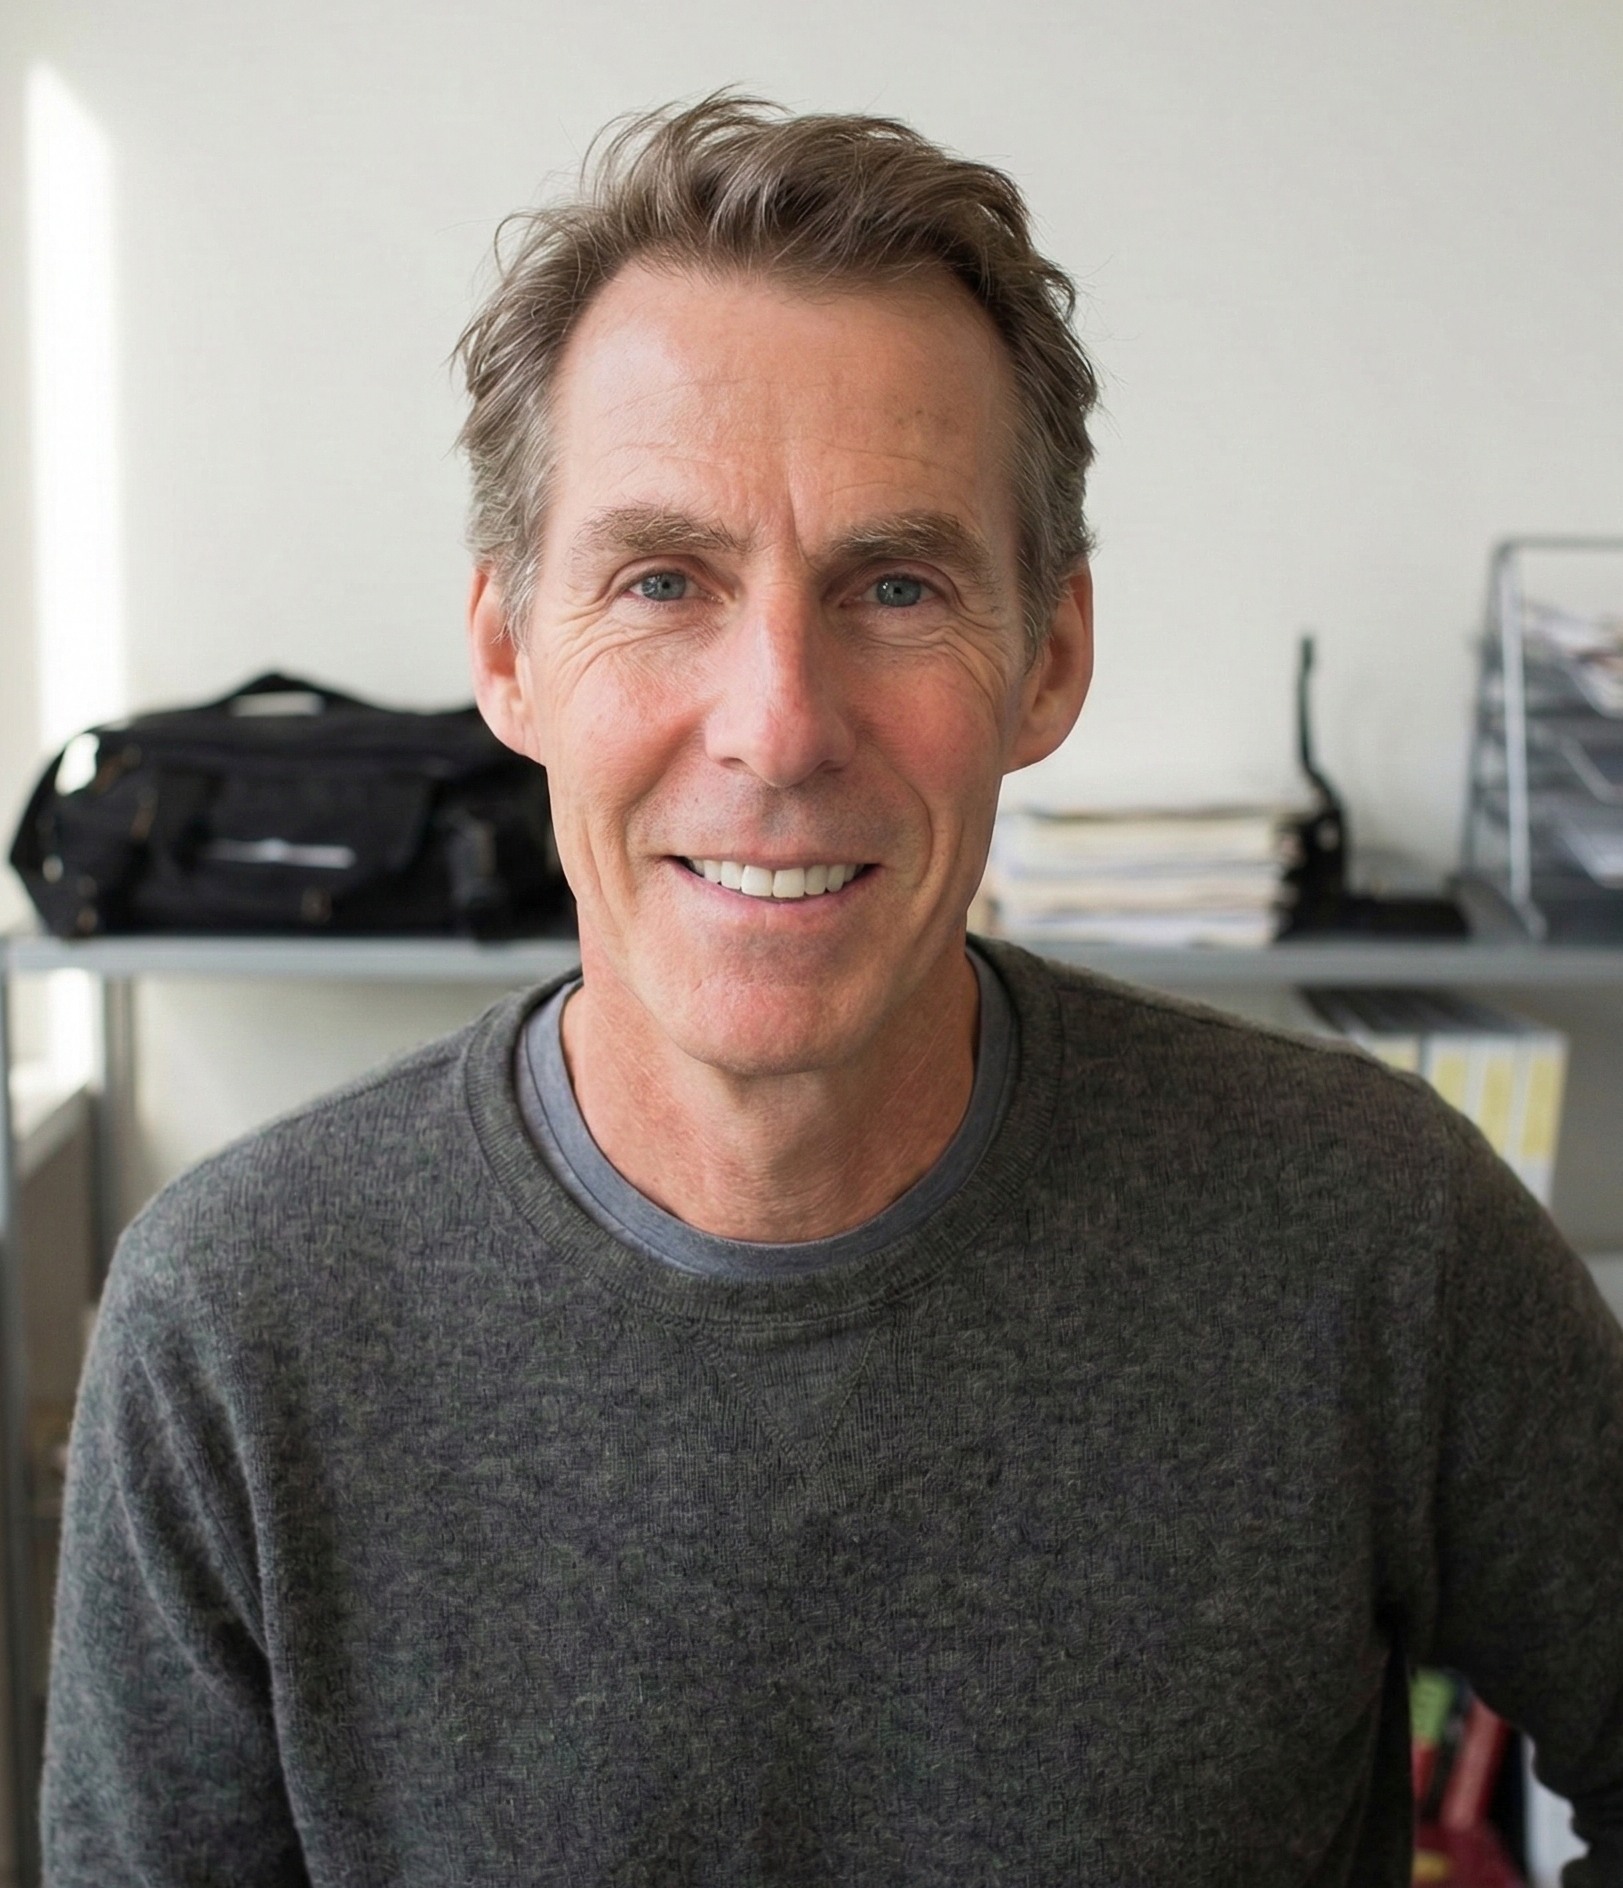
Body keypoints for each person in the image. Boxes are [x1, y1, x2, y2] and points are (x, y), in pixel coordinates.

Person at [42, 96, 1623, 1886]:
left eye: (894, 585)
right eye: (662, 580)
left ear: (1049, 657)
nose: (780, 725)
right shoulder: (236, 1322)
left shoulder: (1374, 1236)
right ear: (507, 653)